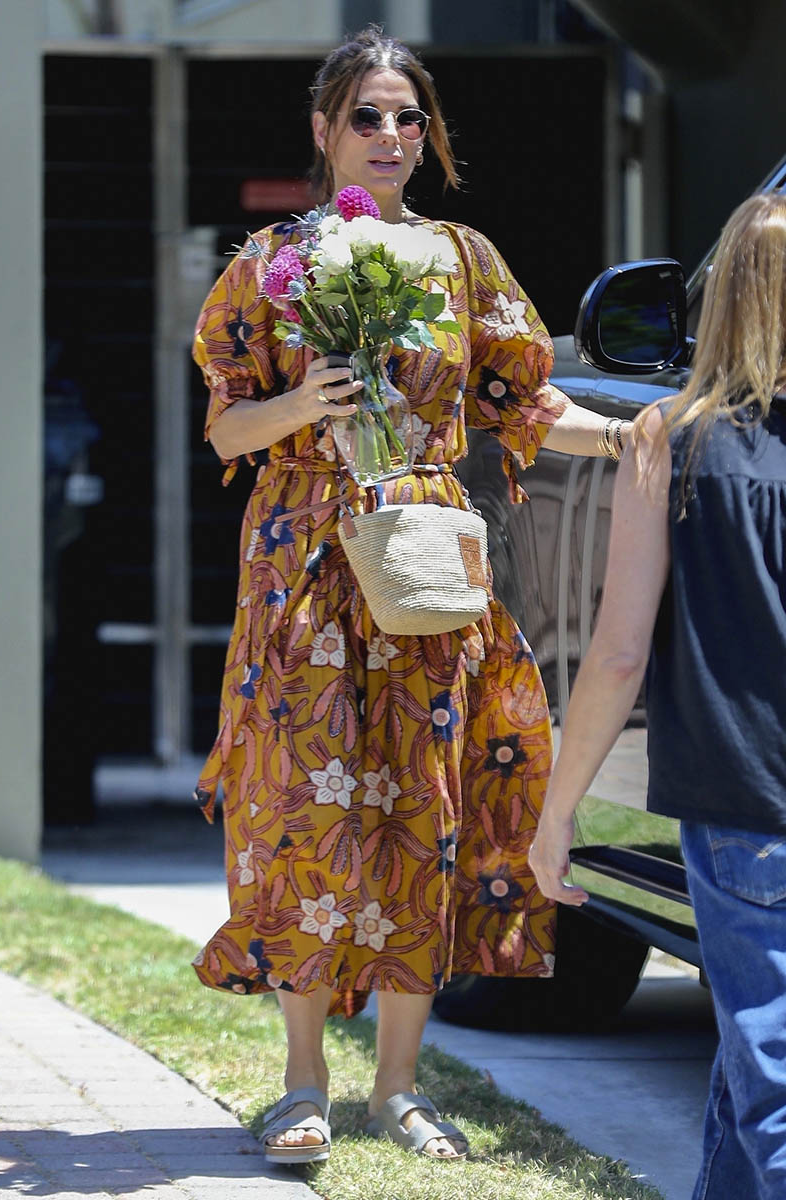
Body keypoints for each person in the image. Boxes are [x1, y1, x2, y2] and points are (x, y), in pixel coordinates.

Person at [191, 25, 631, 1164]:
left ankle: (396, 1088)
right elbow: (226, 422)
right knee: (300, 805)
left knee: (421, 805)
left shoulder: (462, 257)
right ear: (324, 130)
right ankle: (300, 1086)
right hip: (301, 557)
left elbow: (523, 405)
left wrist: (645, 438)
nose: (389, 137)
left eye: (406, 118)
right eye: (367, 117)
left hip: (427, 555)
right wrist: (307, 405)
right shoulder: (270, 265)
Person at [528, 190, 786, 1199]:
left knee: (768, 1081)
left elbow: (619, 653)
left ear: (720, 300)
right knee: (746, 1061)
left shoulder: (665, 440)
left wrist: (556, 812)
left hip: (739, 808)